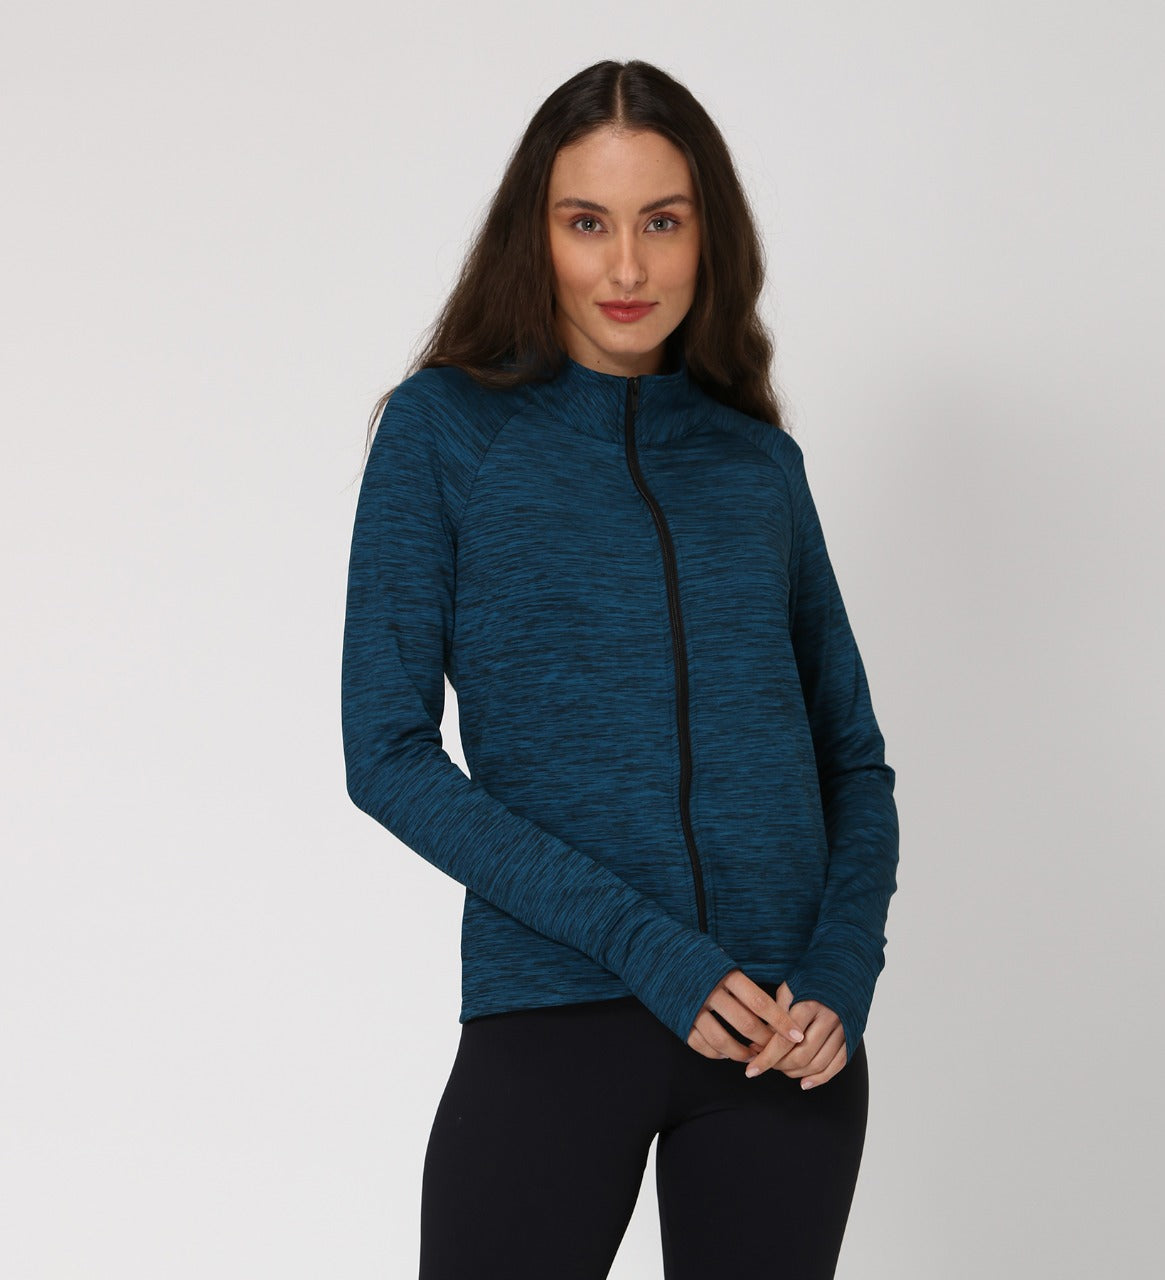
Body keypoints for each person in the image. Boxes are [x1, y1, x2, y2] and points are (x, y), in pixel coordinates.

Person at [341, 58, 899, 1280]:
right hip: (558, 1009)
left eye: (663, 221)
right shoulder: (446, 432)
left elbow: (851, 761)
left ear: (709, 237)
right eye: (587, 223)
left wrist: (839, 972)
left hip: (776, 1039)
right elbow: (385, 753)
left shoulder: (756, 465)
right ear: (533, 235)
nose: (627, 267)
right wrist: (654, 949)